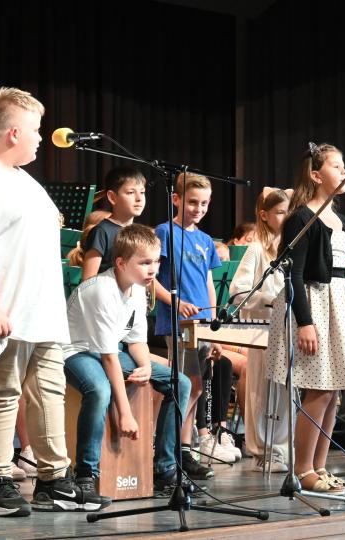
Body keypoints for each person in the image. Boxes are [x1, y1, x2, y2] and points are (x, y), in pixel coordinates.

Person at [0, 86, 103, 517]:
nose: (42, 138)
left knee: (48, 394)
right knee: (1, 393)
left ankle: (54, 480)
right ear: (14, 132)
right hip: (7, 311)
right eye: (36, 130)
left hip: (43, 313)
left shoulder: (24, 181)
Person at [265, 143, 345, 494]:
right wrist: (305, 322)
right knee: (319, 389)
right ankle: (303, 468)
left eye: (344, 166)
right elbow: (293, 274)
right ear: (315, 174)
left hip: (337, 303)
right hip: (312, 303)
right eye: (337, 166)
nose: (344, 172)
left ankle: (319, 466)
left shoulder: (343, 221)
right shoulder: (301, 217)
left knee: (333, 391)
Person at [63, 224, 193, 492]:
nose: (153, 269)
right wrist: (125, 415)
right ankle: (86, 472)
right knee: (99, 389)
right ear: (121, 263)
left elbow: (135, 340)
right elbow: (109, 358)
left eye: (156, 261)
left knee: (180, 382)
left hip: (110, 351)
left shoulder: (138, 289)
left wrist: (145, 366)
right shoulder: (102, 290)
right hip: (76, 351)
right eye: (145, 262)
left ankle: (165, 468)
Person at [153, 171, 231, 478]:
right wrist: (175, 302)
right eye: (192, 202)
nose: (198, 209)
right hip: (178, 323)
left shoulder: (205, 240)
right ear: (176, 199)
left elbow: (209, 282)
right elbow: (151, 280)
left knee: (197, 388)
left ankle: (183, 450)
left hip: (201, 324)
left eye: (204, 203)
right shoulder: (164, 232)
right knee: (184, 386)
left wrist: (214, 322)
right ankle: (170, 451)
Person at [229, 187, 292, 472]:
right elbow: (238, 292)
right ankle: (263, 451)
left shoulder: (293, 248)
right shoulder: (256, 249)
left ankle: (284, 448)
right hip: (262, 331)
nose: (286, 217)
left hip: (288, 330)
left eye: (289, 211)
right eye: (280, 212)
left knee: (286, 392)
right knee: (261, 390)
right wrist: (268, 299)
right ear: (264, 216)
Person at [81, 167, 146, 280]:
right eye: (131, 192)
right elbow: (88, 281)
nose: (139, 198)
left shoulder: (140, 232)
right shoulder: (101, 232)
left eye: (142, 192)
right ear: (112, 197)